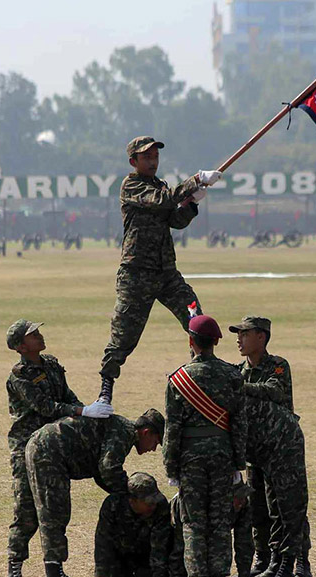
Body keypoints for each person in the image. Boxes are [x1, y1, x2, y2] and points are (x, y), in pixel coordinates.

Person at [97, 136, 222, 404]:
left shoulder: (161, 185)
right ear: (133, 161)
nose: (153, 161)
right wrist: (195, 181)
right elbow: (161, 201)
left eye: (155, 156)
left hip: (167, 273)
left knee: (196, 321)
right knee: (123, 336)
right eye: (146, 157)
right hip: (137, 274)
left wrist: (191, 205)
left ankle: (203, 378)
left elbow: (174, 220)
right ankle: (105, 391)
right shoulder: (131, 185)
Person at [4, 319, 113, 577]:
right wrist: (82, 411)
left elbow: (66, 396)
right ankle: (15, 565)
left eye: (38, 332)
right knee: (26, 510)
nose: (39, 335)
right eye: (33, 335)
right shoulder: (20, 375)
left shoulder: (51, 364)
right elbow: (45, 407)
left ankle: (55, 568)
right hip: (26, 447)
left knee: (55, 508)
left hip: (54, 447)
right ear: (21, 347)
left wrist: (85, 411)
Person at [25, 408, 165, 577]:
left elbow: (101, 472)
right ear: (146, 432)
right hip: (48, 451)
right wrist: (131, 493)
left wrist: (122, 493)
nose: (153, 449)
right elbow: (108, 468)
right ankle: (54, 571)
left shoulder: (123, 430)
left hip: (46, 447)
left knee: (52, 511)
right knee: (54, 511)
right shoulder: (125, 433)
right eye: (156, 442)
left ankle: (48, 568)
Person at [164, 314, 247, 577]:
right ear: (216, 342)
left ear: (191, 341)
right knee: (221, 523)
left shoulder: (179, 379)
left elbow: (173, 428)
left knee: (193, 524)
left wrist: (171, 467)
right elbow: (239, 424)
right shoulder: (232, 375)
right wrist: (238, 463)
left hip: (190, 459)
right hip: (223, 456)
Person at [229, 317, 311, 577]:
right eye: (238, 334)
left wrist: (238, 387)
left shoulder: (277, 365)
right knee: (259, 507)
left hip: (281, 446)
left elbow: (274, 391)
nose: (239, 339)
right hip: (256, 449)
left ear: (261, 337)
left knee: (288, 505)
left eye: (244, 334)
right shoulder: (238, 371)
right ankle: (265, 557)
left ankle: (299, 560)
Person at [242, 396, 309, 577]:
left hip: (281, 438)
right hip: (259, 446)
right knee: (264, 507)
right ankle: (271, 560)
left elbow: (278, 391)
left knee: (290, 506)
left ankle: (293, 562)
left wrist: (245, 388)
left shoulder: (276, 370)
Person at [93, 472, 172, 577]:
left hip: (145, 559)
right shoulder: (113, 506)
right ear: (132, 501)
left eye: (155, 500)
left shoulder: (160, 507)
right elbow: (104, 548)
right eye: (149, 503)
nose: (153, 505)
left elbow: (159, 550)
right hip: (119, 558)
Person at [170, 480, 254, 577]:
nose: (241, 502)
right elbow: (178, 545)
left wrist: (244, 574)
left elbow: (244, 542)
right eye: (237, 498)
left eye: (243, 497)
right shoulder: (188, 504)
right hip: (190, 524)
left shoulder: (243, 506)